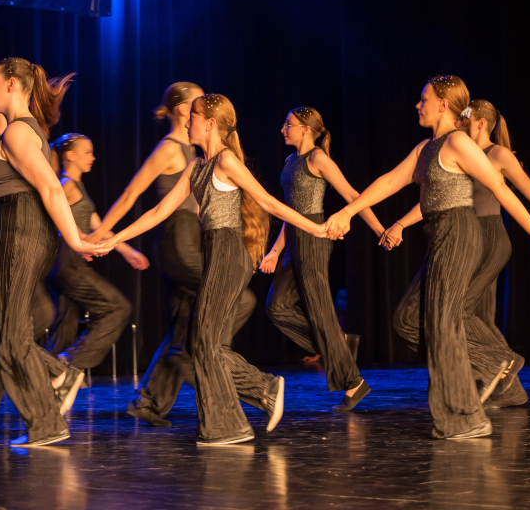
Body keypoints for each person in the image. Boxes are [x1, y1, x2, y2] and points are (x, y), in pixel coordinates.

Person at [325, 75, 530, 440]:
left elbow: (500, 187)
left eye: (423, 99)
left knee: (442, 325)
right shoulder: (426, 148)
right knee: (407, 319)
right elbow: (389, 181)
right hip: (439, 235)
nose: (417, 105)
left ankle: (465, 418)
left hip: (460, 233)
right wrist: (348, 211)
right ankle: (495, 363)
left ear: (443, 104)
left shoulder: (458, 142)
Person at [102, 93, 328, 445]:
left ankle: (236, 417)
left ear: (209, 124)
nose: (187, 122)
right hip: (214, 252)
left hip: (230, 253)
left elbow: (267, 202)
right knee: (200, 342)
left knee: (202, 341)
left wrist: (314, 227)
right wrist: (115, 238)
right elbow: (159, 212)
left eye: (192, 116)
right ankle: (253, 399)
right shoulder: (196, 167)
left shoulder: (226, 160)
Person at [86, 83, 257, 427]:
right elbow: (131, 193)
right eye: (195, 102)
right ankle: (206, 362)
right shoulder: (170, 148)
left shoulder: (202, 153)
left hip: (196, 237)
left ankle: (149, 401)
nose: (199, 108)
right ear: (181, 109)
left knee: (182, 324)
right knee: (240, 300)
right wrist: (103, 234)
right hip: (178, 241)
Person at [383, 99, 530, 408]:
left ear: (480, 122)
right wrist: (402, 223)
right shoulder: (457, 150)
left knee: (455, 312)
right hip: (461, 236)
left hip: (488, 238)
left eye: (465, 118)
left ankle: (493, 370)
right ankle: (502, 384)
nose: (458, 122)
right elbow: (437, 197)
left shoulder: (498, 154)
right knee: (473, 316)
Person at [0, 58, 111, 446]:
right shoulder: (16, 130)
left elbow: (51, 189)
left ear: (12, 85)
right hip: (10, 230)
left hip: (20, 232)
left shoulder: (18, 131)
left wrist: (76, 240)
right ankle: (57, 373)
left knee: (10, 338)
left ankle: (46, 423)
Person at [260, 107, 383, 410]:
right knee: (276, 307)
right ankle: (339, 342)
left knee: (320, 311)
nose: (283, 129)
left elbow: (352, 195)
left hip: (314, 238)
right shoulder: (290, 161)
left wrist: (379, 229)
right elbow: (290, 213)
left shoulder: (318, 159)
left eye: (288, 124)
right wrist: (275, 250)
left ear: (305, 129)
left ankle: (353, 382)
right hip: (294, 238)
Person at [45, 133, 148, 375]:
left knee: (66, 325)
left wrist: (126, 250)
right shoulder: (66, 185)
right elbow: (53, 218)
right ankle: (68, 362)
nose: (93, 157)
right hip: (65, 259)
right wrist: (81, 239)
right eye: (87, 152)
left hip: (69, 259)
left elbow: (98, 227)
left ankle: (45, 375)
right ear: (71, 155)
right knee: (118, 307)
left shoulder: (77, 186)